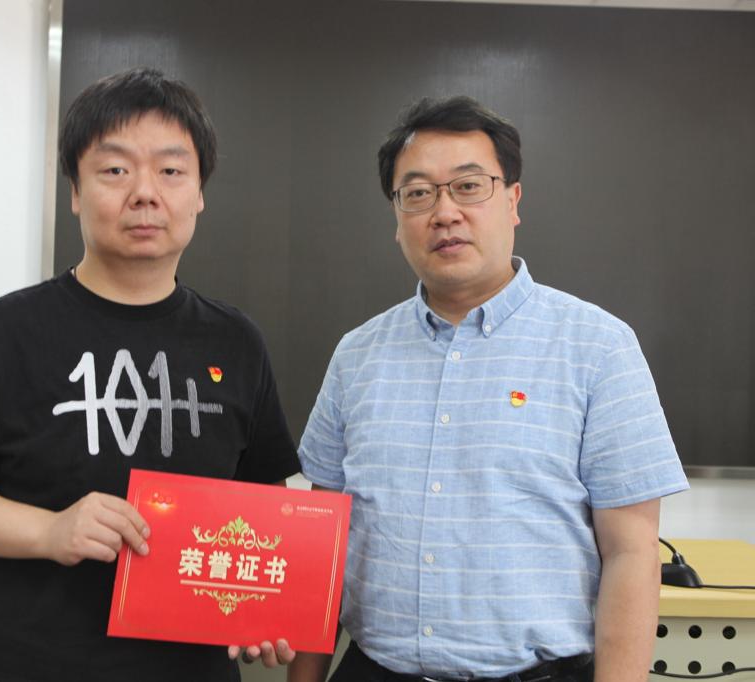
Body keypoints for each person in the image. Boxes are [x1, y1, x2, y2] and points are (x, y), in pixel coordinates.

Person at [0, 67, 299, 682]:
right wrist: (48, 530)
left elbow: (264, 506)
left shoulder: (235, 341)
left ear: (199, 193)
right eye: (114, 169)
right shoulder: (4, 333)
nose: (145, 193)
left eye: (171, 171)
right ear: (76, 192)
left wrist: (263, 607)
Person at [290, 96, 688, 682]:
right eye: (418, 193)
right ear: (397, 219)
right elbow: (320, 542)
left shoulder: (598, 347)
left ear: (513, 200)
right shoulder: (357, 355)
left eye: (469, 186)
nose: (444, 212)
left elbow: (631, 552)